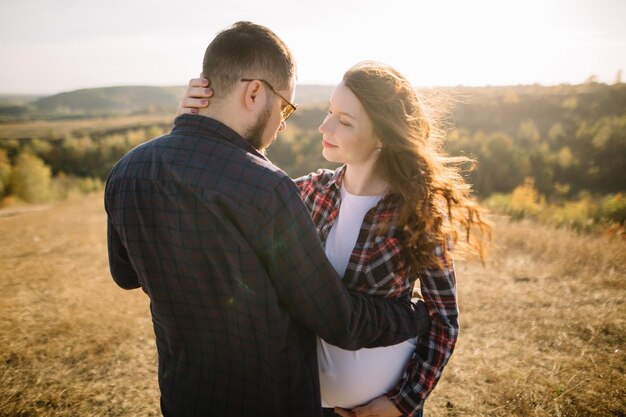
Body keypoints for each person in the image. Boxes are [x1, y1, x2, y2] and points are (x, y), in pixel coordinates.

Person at [105, 22, 431, 417]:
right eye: (285, 107)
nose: (283, 122)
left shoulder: (127, 171)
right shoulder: (268, 189)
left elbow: (126, 276)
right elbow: (337, 319)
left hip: (184, 397)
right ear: (255, 92)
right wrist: (412, 314)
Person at [178, 61, 490, 416]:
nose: (325, 126)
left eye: (344, 121)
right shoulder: (311, 191)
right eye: (329, 112)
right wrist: (197, 124)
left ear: (382, 135)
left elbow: (444, 320)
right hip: (310, 403)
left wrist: (401, 404)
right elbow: (238, 186)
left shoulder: (416, 211)